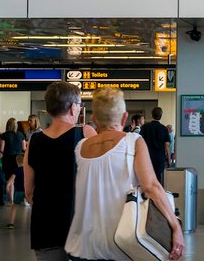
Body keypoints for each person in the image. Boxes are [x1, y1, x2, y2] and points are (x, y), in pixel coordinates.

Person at [64, 88, 185, 260]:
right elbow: (151, 186)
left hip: (86, 244)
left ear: (94, 119)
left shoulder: (81, 147)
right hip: (122, 243)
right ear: (124, 117)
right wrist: (175, 226)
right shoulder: (133, 141)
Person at [25, 82, 96, 261]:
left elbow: (28, 192)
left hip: (45, 227)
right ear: (72, 108)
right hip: (81, 227)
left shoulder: (34, 140)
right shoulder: (86, 134)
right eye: (80, 104)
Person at [0, 118, 25, 218]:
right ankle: (21, 199)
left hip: (8, 160)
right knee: (17, 179)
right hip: (18, 160)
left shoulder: (4, 135)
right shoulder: (21, 135)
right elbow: (24, 148)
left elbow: (1, 149)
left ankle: (11, 200)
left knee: (10, 180)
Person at [140, 107, 171, 184]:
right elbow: (167, 145)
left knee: (147, 178)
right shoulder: (164, 128)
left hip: (147, 157)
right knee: (158, 179)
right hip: (160, 158)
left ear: (152, 115)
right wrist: (169, 160)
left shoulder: (145, 127)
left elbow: (140, 142)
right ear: (161, 116)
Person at [7, 154, 25, 230]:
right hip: (27, 191)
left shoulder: (16, 170)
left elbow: (10, 182)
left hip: (18, 192)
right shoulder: (28, 170)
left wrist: (8, 188)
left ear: (16, 161)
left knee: (14, 207)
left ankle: (11, 223)